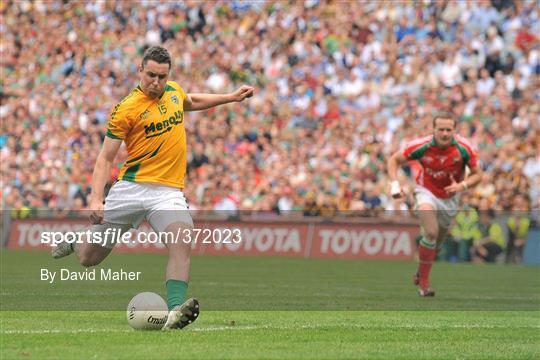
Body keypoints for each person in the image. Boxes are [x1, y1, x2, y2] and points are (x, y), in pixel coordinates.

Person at [52, 46, 254, 330]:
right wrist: (96, 199)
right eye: (151, 75)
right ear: (140, 71)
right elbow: (105, 157)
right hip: (131, 189)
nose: (156, 82)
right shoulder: (126, 109)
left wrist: (231, 97)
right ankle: (77, 241)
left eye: (161, 76)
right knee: (88, 258)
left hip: (167, 192)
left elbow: (191, 100)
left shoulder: (173, 92)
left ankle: (175, 312)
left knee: (182, 239)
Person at [387, 112, 482, 296]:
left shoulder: (465, 148)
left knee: (437, 245)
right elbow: (394, 160)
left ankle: (421, 272)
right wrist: (394, 183)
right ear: (434, 130)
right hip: (426, 191)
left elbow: (478, 175)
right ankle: (424, 284)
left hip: (450, 197)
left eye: (449, 130)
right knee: (431, 232)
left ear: (454, 130)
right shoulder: (421, 146)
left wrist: (462, 185)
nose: (445, 133)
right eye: (441, 129)